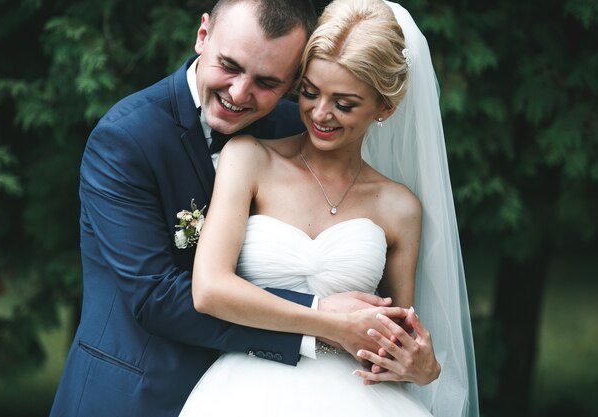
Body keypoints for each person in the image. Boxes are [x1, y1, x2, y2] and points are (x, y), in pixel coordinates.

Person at [49, 1, 438, 416]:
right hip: (138, 394)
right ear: (203, 36)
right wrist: (325, 322)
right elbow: (157, 297)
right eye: (229, 66)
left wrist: (419, 364)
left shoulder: (302, 126)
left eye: (268, 82)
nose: (239, 93)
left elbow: (389, 324)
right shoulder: (127, 139)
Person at [179, 0, 479, 416]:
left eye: (345, 103)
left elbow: (391, 340)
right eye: (309, 92)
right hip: (244, 393)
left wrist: (421, 366)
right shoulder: (249, 158)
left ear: (385, 109)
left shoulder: (400, 208)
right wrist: (334, 324)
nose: (320, 114)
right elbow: (210, 289)